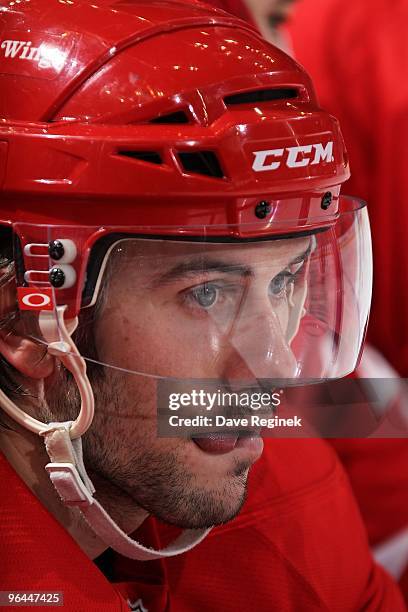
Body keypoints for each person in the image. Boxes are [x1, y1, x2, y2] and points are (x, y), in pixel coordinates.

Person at [0, 0, 405, 609]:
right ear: (28, 319)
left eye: (285, 280)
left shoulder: (293, 494)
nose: (275, 367)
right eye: (207, 294)